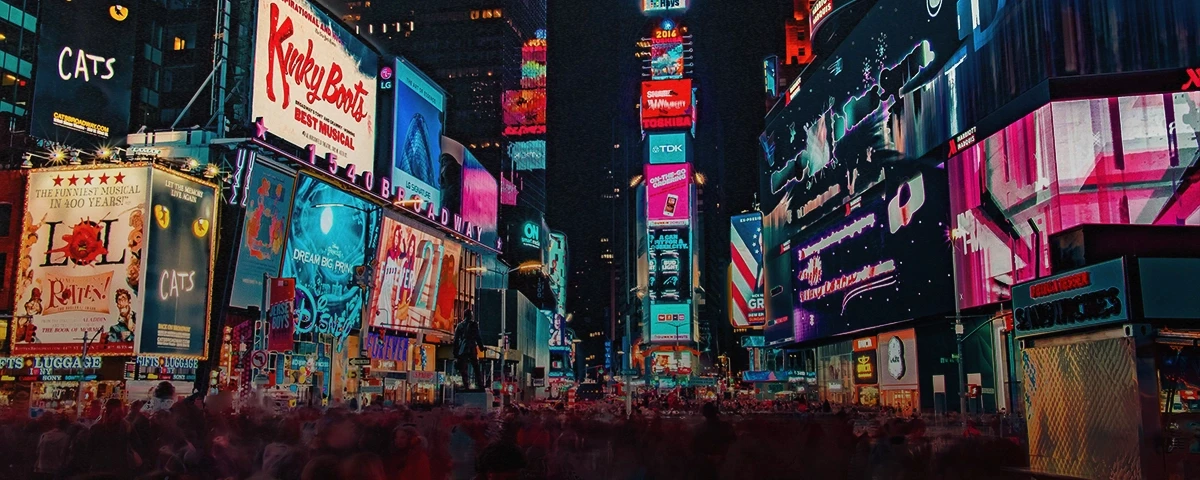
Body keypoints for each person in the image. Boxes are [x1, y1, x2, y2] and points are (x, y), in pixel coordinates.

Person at [690, 402, 735, 480]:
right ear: (716, 412)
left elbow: (694, 449)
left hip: (705, 466)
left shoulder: (698, 429)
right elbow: (734, 443)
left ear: (704, 414)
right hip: (725, 464)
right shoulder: (726, 426)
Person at [453, 310, 485, 390]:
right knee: (475, 367)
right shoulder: (474, 325)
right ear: (470, 316)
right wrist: (481, 347)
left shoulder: (460, 326)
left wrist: (455, 353)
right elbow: (478, 337)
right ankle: (480, 384)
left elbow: (456, 340)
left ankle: (466, 385)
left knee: (464, 369)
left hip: (463, 349)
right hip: (471, 348)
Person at [34, 414, 71, 480]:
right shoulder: (66, 437)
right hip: (56, 468)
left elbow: (38, 451)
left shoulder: (44, 435)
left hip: (42, 467)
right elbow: (63, 454)